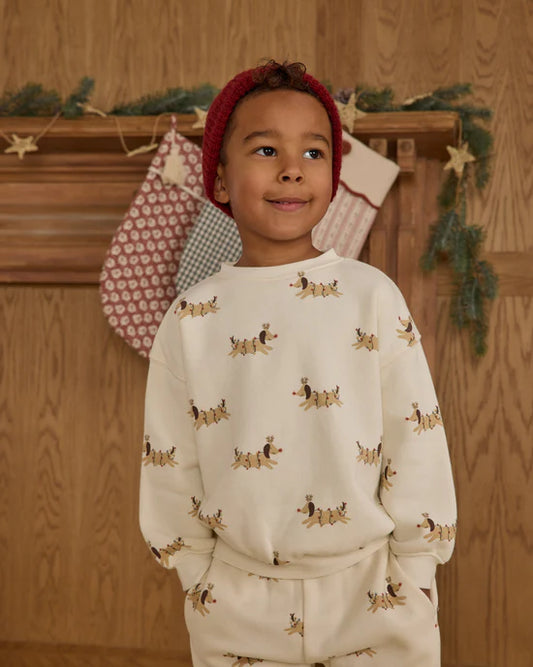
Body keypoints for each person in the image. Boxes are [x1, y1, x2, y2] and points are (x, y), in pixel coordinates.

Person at [139, 60, 456, 667]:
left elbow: (416, 437)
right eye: (266, 150)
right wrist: (196, 572)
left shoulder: (371, 296)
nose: (292, 168)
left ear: (332, 179)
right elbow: (170, 459)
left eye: (314, 153)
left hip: (375, 590)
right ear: (220, 180)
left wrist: (417, 569)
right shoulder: (191, 316)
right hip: (237, 599)